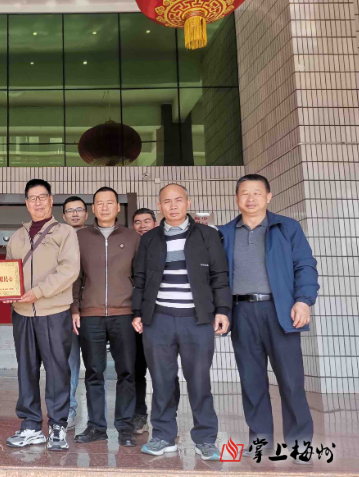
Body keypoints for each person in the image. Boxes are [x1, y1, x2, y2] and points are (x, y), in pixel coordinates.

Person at [218, 174, 318, 463]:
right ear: (236, 198)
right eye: (244, 193)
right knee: (252, 382)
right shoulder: (225, 233)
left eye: (257, 193)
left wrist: (303, 300)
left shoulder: (287, 227)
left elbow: (305, 265)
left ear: (269, 196)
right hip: (242, 312)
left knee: (291, 381)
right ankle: (260, 441)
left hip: (280, 311)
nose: (250, 199)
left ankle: (300, 444)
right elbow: (216, 276)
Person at [132, 184, 231, 460]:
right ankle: (163, 436)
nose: (173, 205)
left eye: (178, 200)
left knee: (199, 381)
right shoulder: (149, 239)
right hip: (158, 320)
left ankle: (205, 439)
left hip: (196, 320)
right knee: (162, 381)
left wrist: (222, 310)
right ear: (159, 206)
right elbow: (140, 278)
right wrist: (138, 313)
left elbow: (220, 276)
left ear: (188, 202)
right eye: (167, 201)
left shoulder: (208, 235)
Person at [5, 179, 80, 451]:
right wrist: (5, 291)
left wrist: (38, 292)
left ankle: (58, 425)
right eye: (32, 198)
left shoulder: (65, 232)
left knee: (57, 369)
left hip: (54, 311)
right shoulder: (17, 236)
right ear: (26, 203)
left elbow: (69, 270)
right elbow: (8, 272)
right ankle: (31, 425)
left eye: (42, 197)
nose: (37, 202)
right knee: (26, 369)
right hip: (22, 313)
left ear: (51, 200)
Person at [71, 187, 141, 447]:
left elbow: (140, 277)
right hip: (90, 314)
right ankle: (96, 426)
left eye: (109, 202)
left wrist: (139, 311)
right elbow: (75, 277)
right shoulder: (80, 237)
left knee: (127, 372)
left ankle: (125, 427)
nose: (104, 207)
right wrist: (75, 308)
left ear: (118, 207)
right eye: (99, 203)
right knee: (93, 372)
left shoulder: (133, 237)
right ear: (93, 208)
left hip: (125, 314)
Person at [130, 208, 180, 435]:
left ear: (155, 223)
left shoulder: (166, 245)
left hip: (161, 316)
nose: (142, 226)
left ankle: (170, 416)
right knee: (136, 369)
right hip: (135, 318)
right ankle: (139, 415)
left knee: (166, 370)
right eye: (137, 222)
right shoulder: (129, 247)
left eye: (146, 221)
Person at [61, 195, 89, 430]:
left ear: (87, 214)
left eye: (79, 209)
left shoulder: (94, 238)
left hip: (93, 310)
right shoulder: (57, 238)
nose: (75, 214)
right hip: (64, 309)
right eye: (70, 210)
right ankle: (68, 409)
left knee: (96, 366)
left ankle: (97, 416)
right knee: (68, 363)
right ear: (63, 216)